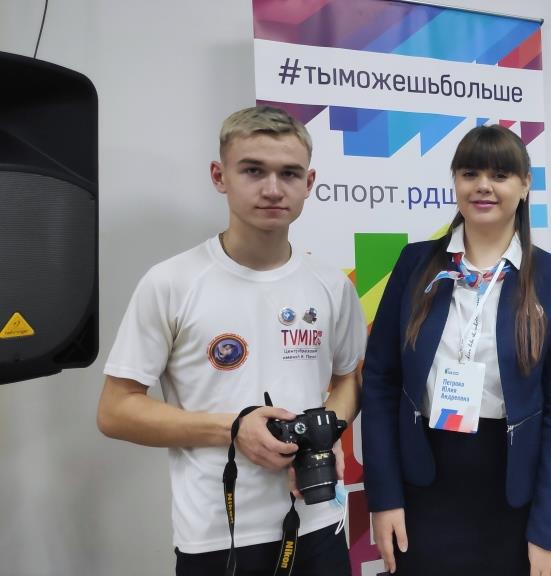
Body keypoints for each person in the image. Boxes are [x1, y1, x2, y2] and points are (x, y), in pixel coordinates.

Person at [97, 106, 366, 576]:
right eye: (253, 171)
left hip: (320, 521)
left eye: (289, 174)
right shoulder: (172, 282)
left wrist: (327, 432)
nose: (273, 189)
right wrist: (233, 428)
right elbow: (115, 411)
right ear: (219, 176)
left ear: (309, 182)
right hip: (217, 536)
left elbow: (348, 380)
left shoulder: (331, 284)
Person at [360, 125, 551, 576]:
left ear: (525, 185)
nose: (483, 186)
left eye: (500, 175)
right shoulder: (414, 263)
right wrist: (384, 498)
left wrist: (550, 530)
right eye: (470, 174)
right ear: (456, 182)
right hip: (422, 485)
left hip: (512, 493)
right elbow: (381, 383)